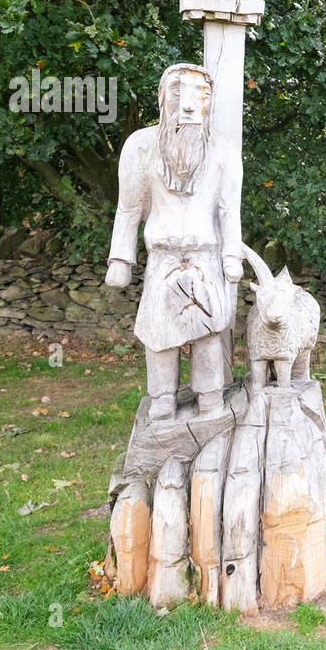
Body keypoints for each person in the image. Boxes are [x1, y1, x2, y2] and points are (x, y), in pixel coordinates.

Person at [105, 63, 243, 420]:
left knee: (208, 332)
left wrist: (232, 255)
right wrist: (120, 259)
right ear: (163, 98)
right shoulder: (140, 146)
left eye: (199, 94)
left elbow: (230, 209)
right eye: (178, 93)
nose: (188, 105)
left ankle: (210, 394)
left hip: (206, 256)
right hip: (162, 257)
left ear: (209, 102)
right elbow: (128, 207)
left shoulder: (223, 151)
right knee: (158, 332)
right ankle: (163, 396)